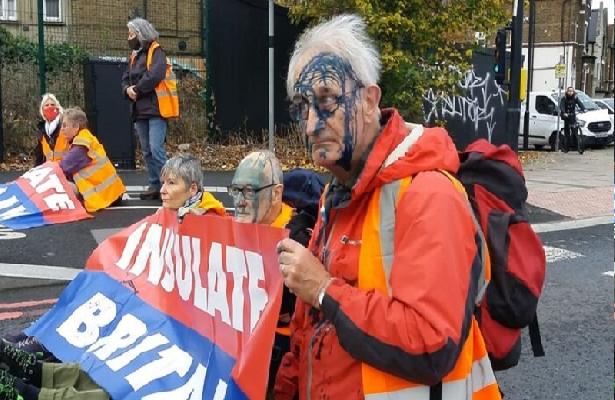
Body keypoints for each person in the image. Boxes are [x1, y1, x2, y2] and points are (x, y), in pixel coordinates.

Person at [274, 15, 502, 399]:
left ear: (369, 100)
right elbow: (308, 330)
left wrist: (325, 289)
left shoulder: (429, 194)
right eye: (302, 106)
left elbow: (431, 343)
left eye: (327, 100)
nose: (312, 124)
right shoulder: (337, 193)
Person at [0, 156, 225, 400]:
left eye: (171, 183)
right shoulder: (174, 213)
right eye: (163, 182)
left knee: (111, 357)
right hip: (158, 308)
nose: (163, 190)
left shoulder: (207, 221)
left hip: (174, 326)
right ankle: (37, 355)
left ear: (192, 189)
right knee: (95, 315)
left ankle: (34, 374)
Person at [228, 151, 322, 393]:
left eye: (249, 191)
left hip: (280, 353)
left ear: (276, 194)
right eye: (235, 191)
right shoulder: (237, 228)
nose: (239, 201)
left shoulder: (299, 241)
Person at [121, 17, 171, 200]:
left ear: (140, 33)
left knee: (156, 149)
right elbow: (125, 77)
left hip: (155, 110)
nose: (129, 37)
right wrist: (127, 89)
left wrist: (137, 89)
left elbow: (156, 74)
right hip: (139, 111)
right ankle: (154, 184)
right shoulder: (135, 55)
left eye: (131, 33)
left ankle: (169, 184)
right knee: (147, 151)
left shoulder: (156, 51)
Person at [59, 107, 126, 212]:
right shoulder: (86, 139)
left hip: (103, 195)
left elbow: (62, 167)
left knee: (58, 186)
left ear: (76, 127)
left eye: (64, 126)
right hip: (112, 193)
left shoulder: (81, 144)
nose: (62, 130)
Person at [34, 93, 68, 166]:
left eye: (52, 105)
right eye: (47, 105)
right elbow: (39, 156)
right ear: (42, 110)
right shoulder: (42, 130)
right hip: (51, 170)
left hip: (66, 169)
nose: (50, 107)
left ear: (58, 108)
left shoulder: (65, 124)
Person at [559, 86, 585, 153]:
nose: (570, 92)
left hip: (573, 116)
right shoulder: (564, 98)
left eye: (571, 91)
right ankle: (566, 148)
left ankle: (578, 148)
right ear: (567, 92)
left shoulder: (575, 98)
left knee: (575, 133)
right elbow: (561, 106)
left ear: (573, 92)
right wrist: (564, 112)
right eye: (569, 91)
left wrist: (583, 109)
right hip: (567, 117)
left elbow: (580, 104)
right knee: (567, 133)